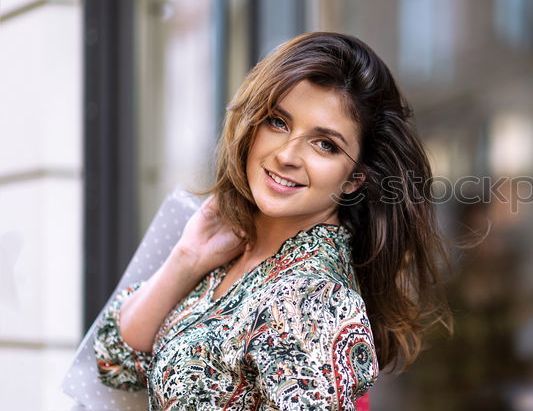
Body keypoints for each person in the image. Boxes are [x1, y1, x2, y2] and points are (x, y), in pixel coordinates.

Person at [93, 32, 450, 410]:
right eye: (278, 122)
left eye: (325, 144)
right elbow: (114, 362)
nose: (287, 155)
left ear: (354, 179)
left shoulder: (313, 299)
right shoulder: (233, 249)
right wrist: (187, 258)